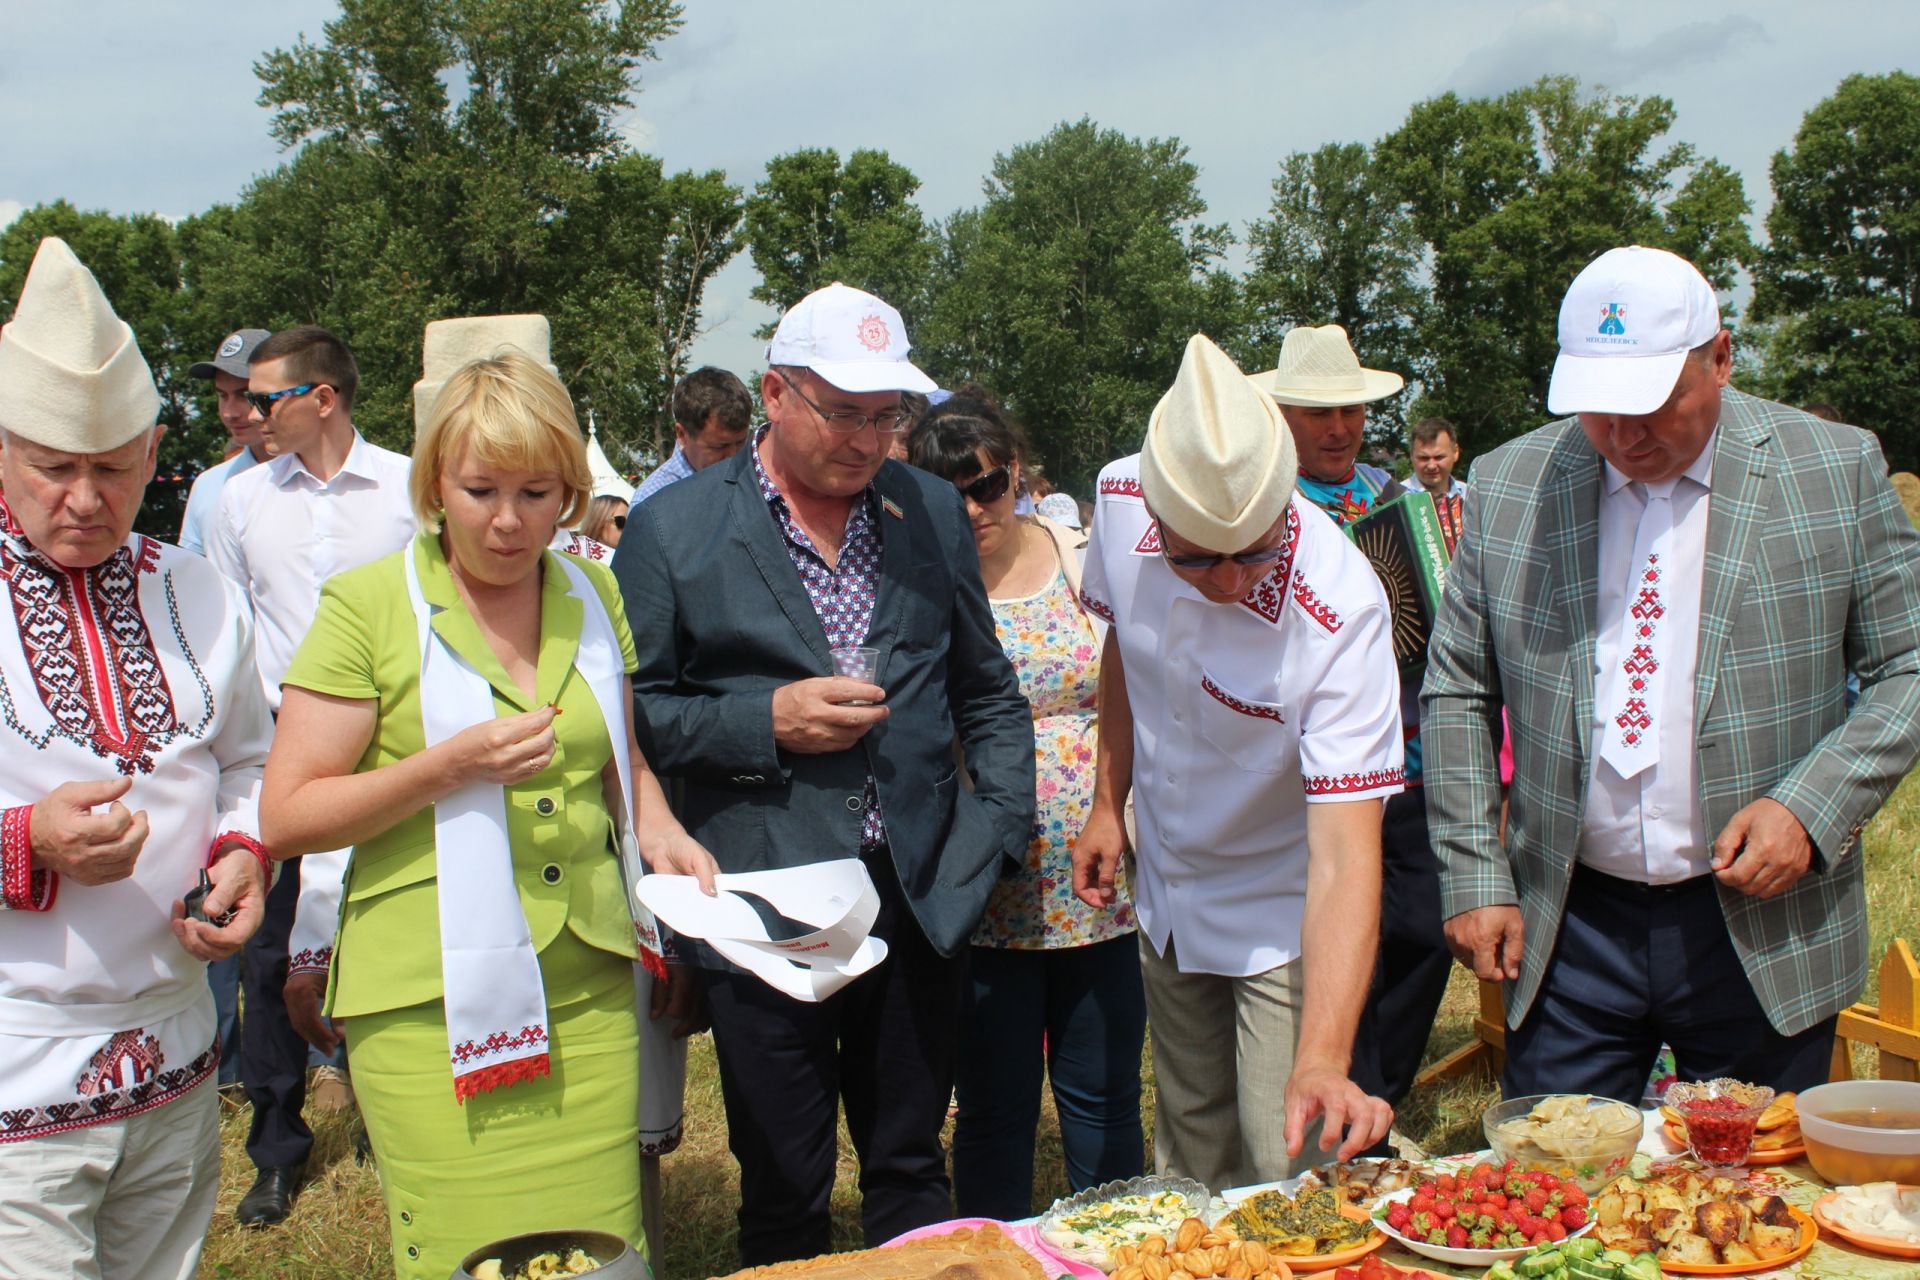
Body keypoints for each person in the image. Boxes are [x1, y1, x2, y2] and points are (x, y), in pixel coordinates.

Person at [1424, 244, 1920, 1102]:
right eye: (1597, 410)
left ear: (1721, 358)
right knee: (1557, 1193)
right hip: (1571, 926)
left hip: (1761, 927)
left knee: (1752, 1209)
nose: (1624, 437)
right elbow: (1460, 688)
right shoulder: (1510, 487)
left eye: (1652, 403)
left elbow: (1907, 663)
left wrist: (1811, 808)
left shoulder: (1832, 471)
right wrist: (1475, 873)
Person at [260, 349, 715, 1280]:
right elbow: (289, 815)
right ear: (434, 484)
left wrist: (660, 828)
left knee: (601, 1255)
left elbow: (620, 758)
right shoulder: (368, 606)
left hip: (588, 989)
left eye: (537, 493)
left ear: (570, 493)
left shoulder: (597, 592)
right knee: (464, 1257)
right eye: (479, 491)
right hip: (428, 1005)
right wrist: (445, 768)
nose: (509, 522)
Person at [617, 282, 1034, 1265]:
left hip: (919, 891)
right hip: (765, 900)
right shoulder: (672, 532)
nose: (866, 438)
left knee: (909, 1161)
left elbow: (987, 687)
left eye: (886, 415)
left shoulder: (929, 507)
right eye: (842, 412)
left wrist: (997, 831)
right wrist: (763, 719)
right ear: (774, 392)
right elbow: (634, 723)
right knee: (784, 1180)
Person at [0, 237, 274, 1279]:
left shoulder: (199, 588)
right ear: (0, 450)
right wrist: (26, 839)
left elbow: (250, 757)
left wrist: (246, 853)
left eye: (112, 467)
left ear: (155, 454)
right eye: (53, 465)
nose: (84, 496)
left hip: (174, 1049)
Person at [1073, 333, 1398, 1191]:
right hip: (1169, 886)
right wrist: (1110, 801)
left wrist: (1325, 1056)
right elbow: (1122, 654)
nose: (1222, 578)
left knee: (1285, 1161)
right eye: (1191, 557)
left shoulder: (1342, 611)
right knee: (1189, 1143)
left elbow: (1345, 851)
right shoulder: (1114, 498)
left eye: (1252, 553)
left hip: (1281, 906)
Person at [907, 395, 1145, 1219]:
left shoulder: (1080, 556)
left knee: (1105, 1091)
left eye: (988, 486)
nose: (975, 510)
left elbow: (1126, 680)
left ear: (1017, 476)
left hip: (1096, 874)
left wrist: (1112, 806)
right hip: (987, 887)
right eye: (951, 493)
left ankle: (1117, 1251)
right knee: (995, 1108)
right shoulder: (920, 580)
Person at [206, 324, 417, 1225]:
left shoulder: (411, 486)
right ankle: (277, 1149)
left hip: (396, 752)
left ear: (322, 398)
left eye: (266, 398)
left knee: (400, 933)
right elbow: (224, 637)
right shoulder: (237, 504)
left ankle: (395, 1120)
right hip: (283, 755)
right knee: (267, 955)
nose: (248, 414)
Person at [1259, 325, 1449, 1113]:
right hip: (1316, 767)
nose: (1338, 428)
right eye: (1317, 413)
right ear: (1282, 416)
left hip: (1407, 751)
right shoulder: (1263, 504)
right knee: (1339, 934)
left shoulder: (1396, 496)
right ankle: (1346, 1087)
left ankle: (1381, 1087)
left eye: (1351, 411)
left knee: (1428, 931)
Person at [179, 326, 273, 1098]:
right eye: (223, 398)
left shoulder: (373, 482)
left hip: (326, 721)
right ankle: (225, 1062)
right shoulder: (213, 490)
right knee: (223, 881)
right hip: (236, 716)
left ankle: (329, 1056)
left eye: (246, 395)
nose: (236, 411)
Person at [178, 328, 272, 556]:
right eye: (222, 395)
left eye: (244, 395)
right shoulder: (207, 486)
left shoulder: (322, 476)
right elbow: (192, 577)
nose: (230, 413)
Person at [630, 365, 753, 505]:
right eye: (719, 447)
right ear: (682, 434)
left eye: (741, 443)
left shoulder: (754, 483)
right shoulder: (651, 501)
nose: (733, 456)